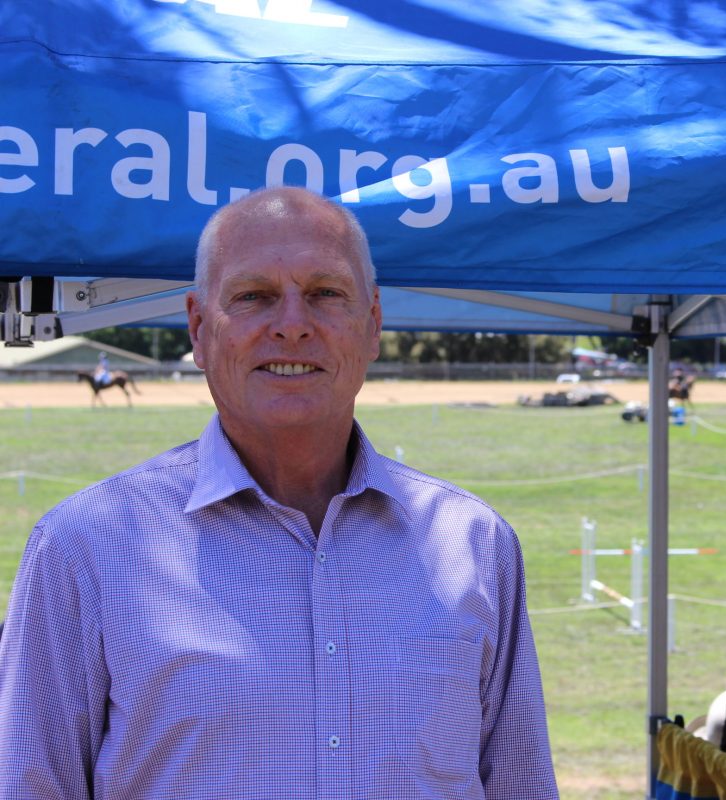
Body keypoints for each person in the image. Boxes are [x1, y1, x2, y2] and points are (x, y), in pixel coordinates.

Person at [0, 187, 559, 799]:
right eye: (253, 297)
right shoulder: (83, 548)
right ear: (198, 329)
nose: (292, 325)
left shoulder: (474, 544)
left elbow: (521, 786)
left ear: (372, 325)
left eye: (325, 293)